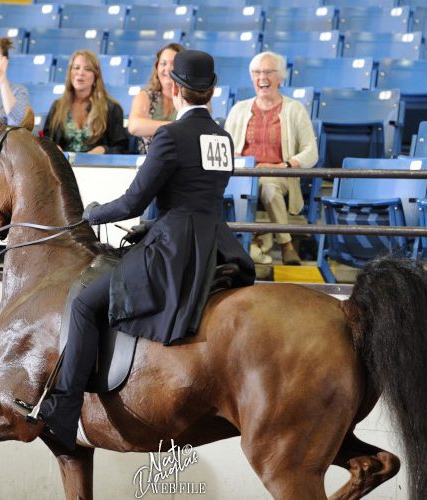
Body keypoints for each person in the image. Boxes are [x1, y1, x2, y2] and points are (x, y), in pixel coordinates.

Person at [22, 50, 256, 450]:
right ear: (211, 90)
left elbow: (132, 203)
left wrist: (91, 215)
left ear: (175, 88)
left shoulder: (170, 136)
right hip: (217, 243)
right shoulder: (222, 136)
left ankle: (63, 409)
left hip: (173, 248)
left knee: (82, 302)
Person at [225, 51, 318, 265]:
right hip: (243, 175)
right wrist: (235, 157)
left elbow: (311, 152)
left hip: (278, 174)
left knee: (267, 186)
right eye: (256, 72)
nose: (262, 78)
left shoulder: (294, 109)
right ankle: (251, 243)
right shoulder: (239, 109)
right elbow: (225, 146)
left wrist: (284, 165)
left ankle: (285, 244)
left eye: (268, 72)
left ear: (281, 77)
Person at [42, 49, 127, 154]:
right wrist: (53, 148)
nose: (80, 73)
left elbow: (121, 148)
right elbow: (45, 142)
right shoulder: (57, 106)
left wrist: (104, 150)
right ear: (70, 73)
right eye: (76, 68)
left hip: (98, 167)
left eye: (87, 69)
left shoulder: (111, 108)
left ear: (96, 76)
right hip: (63, 167)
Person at [127, 43, 184, 154]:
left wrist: (151, 127)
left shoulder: (191, 97)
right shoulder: (145, 96)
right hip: (148, 160)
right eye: (163, 63)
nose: (167, 68)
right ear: (157, 68)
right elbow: (134, 126)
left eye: (174, 64)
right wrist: (177, 128)